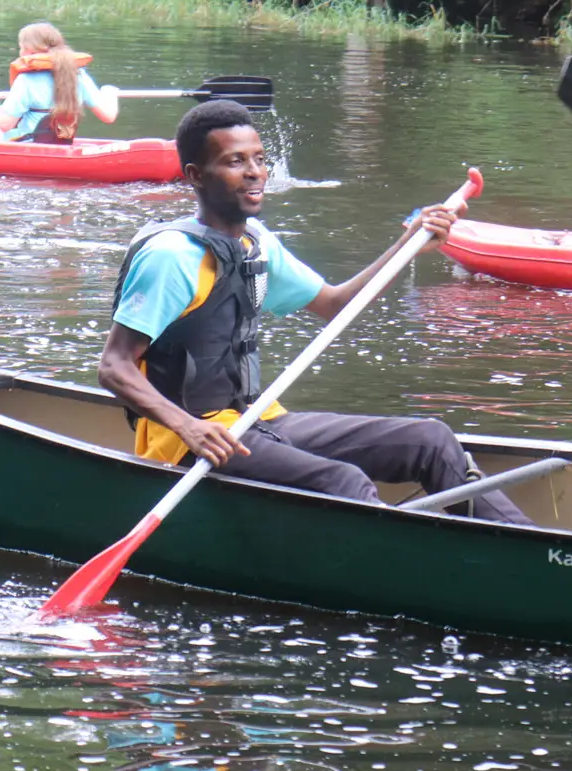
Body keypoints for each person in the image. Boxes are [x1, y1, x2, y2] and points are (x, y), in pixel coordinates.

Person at [96, 99, 531, 525]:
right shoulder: (170, 257)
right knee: (345, 481)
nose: (255, 172)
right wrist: (188, 427)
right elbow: (115, 367)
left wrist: (408, 245)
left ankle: (532, 548)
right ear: (196, 175)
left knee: (431, 440)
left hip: (259, 419)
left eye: (259, 158)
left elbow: (336, 305)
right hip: (190, 442)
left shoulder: (255, 242)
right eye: (235, 161)